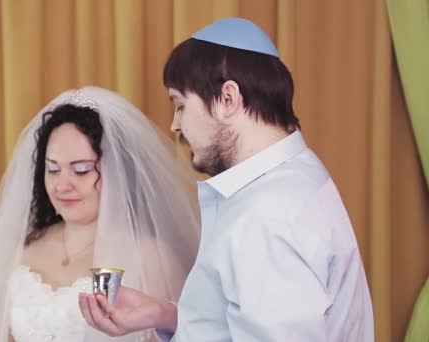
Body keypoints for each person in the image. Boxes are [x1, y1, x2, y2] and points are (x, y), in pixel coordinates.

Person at [79, 18, 375, 341]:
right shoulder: (291, 178)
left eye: (180, 105)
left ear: (228, 99)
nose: (175, 125)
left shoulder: (266, 216)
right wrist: (162, 314)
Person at [0, 86, 201, 341]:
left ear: (118, 173)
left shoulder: (151, 258)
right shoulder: (25, 247)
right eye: (53, 169)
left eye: (81, 170)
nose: (62, 185)